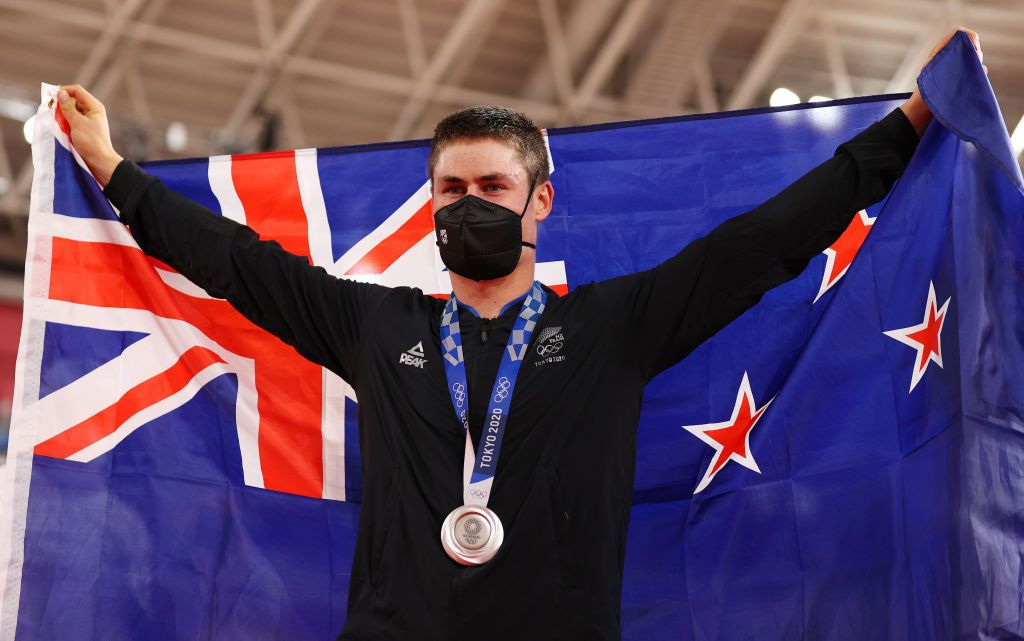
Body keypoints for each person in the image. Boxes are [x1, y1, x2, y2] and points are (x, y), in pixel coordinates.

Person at [55, 28, 982, 641]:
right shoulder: (379, 324)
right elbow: (233, 262)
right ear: (429, 210)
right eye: (451, 190)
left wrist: (909, 124)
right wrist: (109, 166)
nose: (470, 206)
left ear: (541, 198)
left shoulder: (614, 325)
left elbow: (767, 242)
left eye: (493, 188)